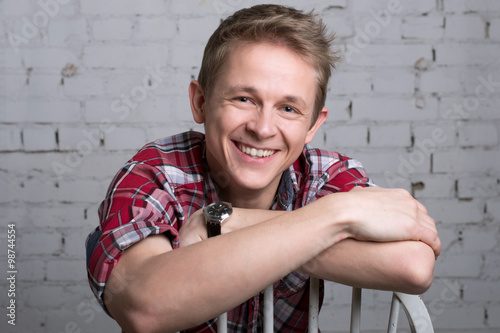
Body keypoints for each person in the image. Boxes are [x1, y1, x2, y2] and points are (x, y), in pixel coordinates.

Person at [86, 4, 441, 333]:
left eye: (288, 108)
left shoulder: (323, 178)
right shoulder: (156, 172)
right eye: (244, 99)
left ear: (313, 126)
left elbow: (413, 265)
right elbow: (143, 307)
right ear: (201, 102)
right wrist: (338, 218)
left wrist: (228, 221)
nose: (263, 128)